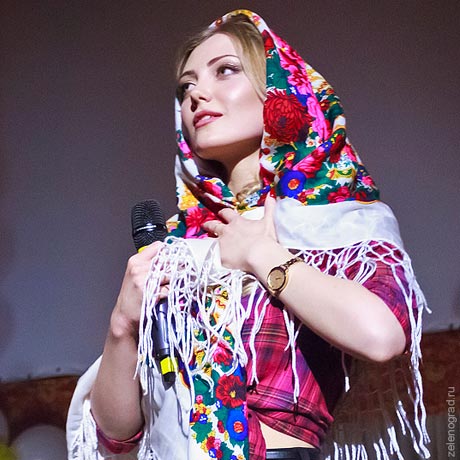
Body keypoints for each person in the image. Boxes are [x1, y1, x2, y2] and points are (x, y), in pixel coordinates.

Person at [67, 10, 430, 460]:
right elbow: (117, 433)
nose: (197, 94)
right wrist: (122, 325)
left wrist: (260, 253)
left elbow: (382, 335)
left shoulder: (335, 219)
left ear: (277, 88)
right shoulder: (179, 243)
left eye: (225, 70)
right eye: (186, 87)